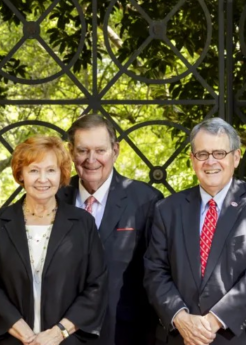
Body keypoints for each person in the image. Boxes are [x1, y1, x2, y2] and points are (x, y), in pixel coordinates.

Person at [144, 117, 246, 345]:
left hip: (245, 338)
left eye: (219, 153)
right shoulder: (167, 210)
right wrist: (180, 318)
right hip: (183, 337)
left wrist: (213, 321)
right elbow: (155, 271)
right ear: (192, 160)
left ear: (236, 157)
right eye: (202, 154)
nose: (211, 162)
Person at [0, 135, 108, 345]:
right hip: (12, 341)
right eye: (34, 170)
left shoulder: (83, 224)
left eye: (51, 170)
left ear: (61, 174)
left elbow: (96, 287)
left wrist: (56, 334)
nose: (42, 179)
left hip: (66, 341)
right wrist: (29, 338)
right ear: (21, 174)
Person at [56, 114, 163, 345]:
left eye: (100, 151)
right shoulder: (54, 199)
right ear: (71, 151)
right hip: (62, 334)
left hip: (125, 334)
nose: (91, 159)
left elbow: (158, 273)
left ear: (115, 151)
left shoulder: (146, 201)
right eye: (82, 150)